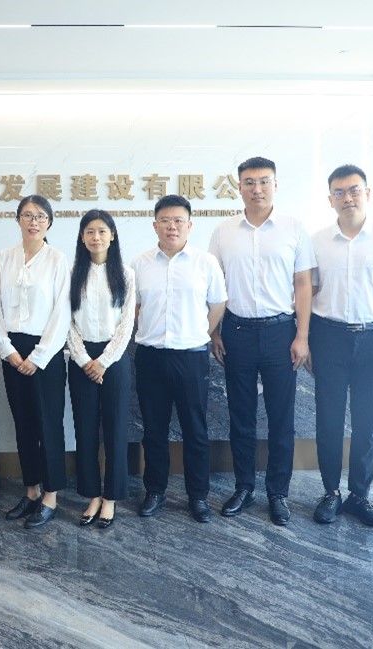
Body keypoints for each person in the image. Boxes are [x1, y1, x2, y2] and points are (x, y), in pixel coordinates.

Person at [208, 156, 314, 526]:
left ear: (275, 184)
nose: (257, 189)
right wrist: (214, 331)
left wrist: (302, 335)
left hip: (280, 332)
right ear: (239, 187)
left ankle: (278, 493)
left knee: (281, 418)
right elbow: (214, 286)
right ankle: (244, 487)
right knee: (241, 416)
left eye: (264, 181)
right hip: (236, 332)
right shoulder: (223, 232)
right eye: (250, 182)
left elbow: (303, 284)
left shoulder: (293, 228)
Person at [310, 164, 373, 528]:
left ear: (368, 193)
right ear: (330, 199)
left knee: (368, 423)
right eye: (339, 192)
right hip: (328, 337)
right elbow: (308, 293)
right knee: (329, 420)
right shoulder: (317, 241)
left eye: (354, 190)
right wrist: (305, 339)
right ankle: (330, 493)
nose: (347, 198)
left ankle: (359, 496)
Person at [133, 195, 227, 523]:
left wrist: (201, 332)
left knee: (195, 429)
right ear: (154, 225)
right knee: (153, 430)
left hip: (191, 357)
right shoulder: (140, 264)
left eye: (178, 221)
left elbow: (218, 303)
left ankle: (198, 496)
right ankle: (154, 491)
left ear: (190, 225)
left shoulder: (205, 263)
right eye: (165, 220)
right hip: (151, 357)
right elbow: (133, 307)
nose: (172, 226)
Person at [0, 195, 71, 529]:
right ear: (18, 220)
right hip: (12, 350)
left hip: (46, 353)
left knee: (48, 424)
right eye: (27, 215)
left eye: (40, 216)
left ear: (49, 222)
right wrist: (7, 350)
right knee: (23, 424)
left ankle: (50, 496)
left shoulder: (58, 260)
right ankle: (31, 490)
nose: (33, 222)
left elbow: (62, 313)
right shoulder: (3, 258)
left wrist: (38, 356)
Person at [67, 209, 135, 529]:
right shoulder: (71, 274)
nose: (96, 237)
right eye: (90, 232)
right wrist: (83, 360)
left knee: (116, 429)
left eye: (102, 231)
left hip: (114, 358)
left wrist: (104, 361)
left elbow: (126, 323)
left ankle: (111, 497)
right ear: (82, 237)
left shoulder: (126, 274)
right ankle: (92, 494)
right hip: (81, 358)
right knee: (85, 429)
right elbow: (66, 322)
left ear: (112, 235)